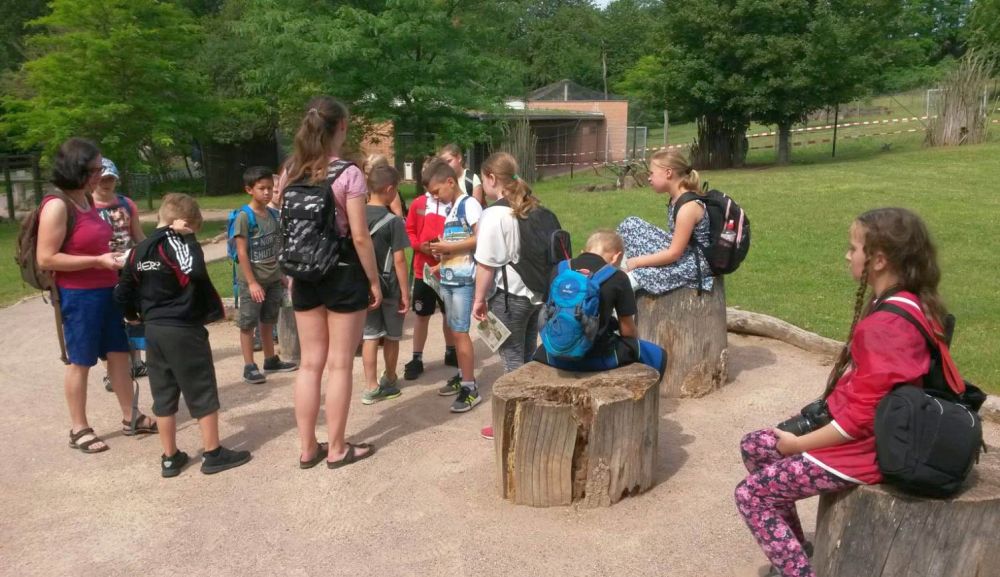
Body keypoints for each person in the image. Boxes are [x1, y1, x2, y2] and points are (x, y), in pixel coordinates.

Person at [735, 208, 946, 577]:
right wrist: (814, 419)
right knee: (755, 446)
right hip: (874, 434)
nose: (848, 256)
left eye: (853, 248)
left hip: (870, 451)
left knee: (751, 495)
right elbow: (867, 393)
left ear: (878, 260)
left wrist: (799, 444)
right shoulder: (906, 301)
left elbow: (862, 419)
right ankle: (797, 549)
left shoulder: (885, 325)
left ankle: (798, 571)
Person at [115, 193, 252, 477]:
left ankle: (170, 457)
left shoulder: (138, 251)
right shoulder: (176, 242)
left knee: (163, 393)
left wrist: (132, 315)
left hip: (154, 331)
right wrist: (189, 239)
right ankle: (213, 453)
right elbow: (195, 270)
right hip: (183, 328)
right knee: (201, 387)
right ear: (184, 223)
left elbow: (122, 291)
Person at [36, 137, 156, 454]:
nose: (99, 175)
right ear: (75, 169)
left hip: (107, 290)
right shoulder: (57, 205)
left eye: (101, 168)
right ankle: (79, 428)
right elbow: (46, 258)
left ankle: (131, 416)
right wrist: (97, 261)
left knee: (118, 354)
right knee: (81, 360)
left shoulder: (86, 200)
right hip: (79, 297)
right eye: (94, 169)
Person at [280, 96, 380, 469]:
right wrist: (374, 281)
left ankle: (308, 447)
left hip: (303, 274)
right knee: (339, 364)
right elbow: (360, 236)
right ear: (341, 126)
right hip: (342, 272)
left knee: (309, 364)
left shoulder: (290, 171)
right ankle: (337, 448)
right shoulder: (349, 174)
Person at [470, 153, 547, 439]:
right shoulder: (533, 206)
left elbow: (486, 265)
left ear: (492, 178)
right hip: (536, 296)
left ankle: (515, 425)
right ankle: (531, 416)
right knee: (526, 356)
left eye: (483, 179)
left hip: (508, 297)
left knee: (512, 363)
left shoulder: (493, 214)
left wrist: (479, 300)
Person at [425, 158, 483, 413]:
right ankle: (462, 374)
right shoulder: (451, 209)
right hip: (449, 279)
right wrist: (442, 259)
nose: (435, 197)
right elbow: (460, 244)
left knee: (460, 332)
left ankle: (470, 387)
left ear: (450, 182)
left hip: (462, 282)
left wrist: (449, 247)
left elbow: (480, 238)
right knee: (454, 329)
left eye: (437, 192)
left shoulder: (469, 204)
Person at [232, 166, 298, 384]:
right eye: (262, 188)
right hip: (253, 280)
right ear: (249, 190)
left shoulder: (272, 215)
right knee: (248, 323)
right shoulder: (244, 217)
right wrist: (252, 282)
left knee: (269, 319)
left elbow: (277, 246)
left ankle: (270, 359)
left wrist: (281, 273)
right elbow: (242, 252)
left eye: (270, 188)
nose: (268, 192)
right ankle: (249, 365)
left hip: (272, 278)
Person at [616, 150, 713, 295]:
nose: (649, 178)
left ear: (668, 173)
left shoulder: (688, 207)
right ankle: (619, 269)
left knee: (641, 275)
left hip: (694, 263)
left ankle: (621, 282)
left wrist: (637, 262)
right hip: (684, 253)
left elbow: (674, 254)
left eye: (652, 173)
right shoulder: (676, 199)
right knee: (629, 225)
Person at [92, 157, 147, 391]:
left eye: (111, 179)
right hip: (101, 269)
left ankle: (136, 361)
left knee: (133, 314)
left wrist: (149, 254)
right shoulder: (87, 206)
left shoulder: (126, 203)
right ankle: (111, 371)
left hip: (127, 266)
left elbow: (138, 235)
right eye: (102, 179)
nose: (107, 183)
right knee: (109, 319)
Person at [360, 164, 410, 404]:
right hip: (390, 286)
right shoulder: (394, 221)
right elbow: (399, 260)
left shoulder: (356, 216)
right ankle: (389, 379)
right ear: (390, 189)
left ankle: (370, 386)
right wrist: (405, 293)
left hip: (365, 287)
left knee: (370, 336)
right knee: (392, 336)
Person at [403, 160, 458, 380]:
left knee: (448, 313)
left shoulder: (452, 203)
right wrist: (419, 246)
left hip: (447, 269)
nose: (434, 195)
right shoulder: (418, 204)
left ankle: (451, 350)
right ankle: (416, 357)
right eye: (430, 191)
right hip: (423, 270)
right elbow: (409, 230)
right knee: (422, 315)